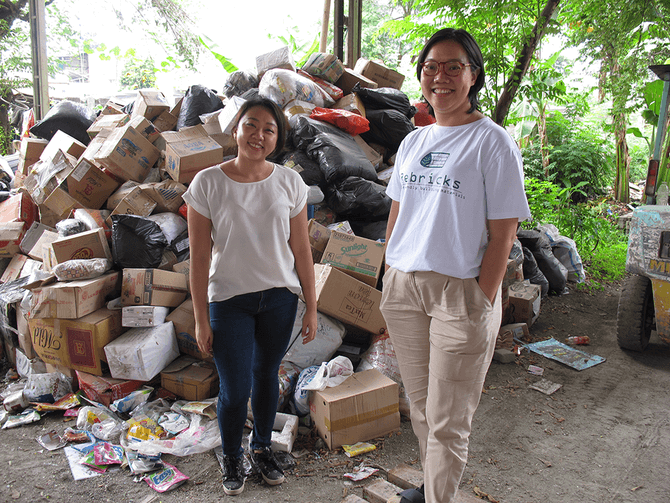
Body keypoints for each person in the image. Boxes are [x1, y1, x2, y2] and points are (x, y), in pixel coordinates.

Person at [379, 28, 531, 503]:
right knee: (423, 407)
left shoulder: (493, 142)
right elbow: (398, 213)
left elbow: (503, 233)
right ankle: (433, 488)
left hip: (459, 293)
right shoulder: (413, 141)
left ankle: (437, 498)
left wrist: (482, 296)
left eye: (452, 67)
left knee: (449, 417)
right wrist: (388, 272)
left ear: (473, 75)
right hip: (405, 289)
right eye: (430, 67)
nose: (439, 77)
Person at [183, 97, 318, 496]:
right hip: (229, 301)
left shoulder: (290, 182)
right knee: (235, 387)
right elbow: (199, 259)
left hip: (279, 298)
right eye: (251, 125)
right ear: (236, 129)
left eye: (269, 129)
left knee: (265, 379)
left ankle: (260, 448)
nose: (259, 135)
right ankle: (231, 454)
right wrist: (200, 319)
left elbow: (302, 250)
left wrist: (311, 306)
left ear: (277, 139)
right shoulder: (207, 183)